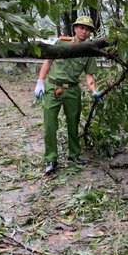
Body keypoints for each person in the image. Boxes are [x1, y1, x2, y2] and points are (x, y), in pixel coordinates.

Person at [34, 15, 102, 175]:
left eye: (87, 30)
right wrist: (40, 81)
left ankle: (74, 155)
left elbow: (89, 76)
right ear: (75, 28)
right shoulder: (62, 43)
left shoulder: (88, 51)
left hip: (72, 90)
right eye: (82, 28)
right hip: (53, 87)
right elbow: (48, 61)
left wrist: (94, 91)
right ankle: (51, 159)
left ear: (90, 33)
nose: (84, 32)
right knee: (50, 124)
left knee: (73, 123)